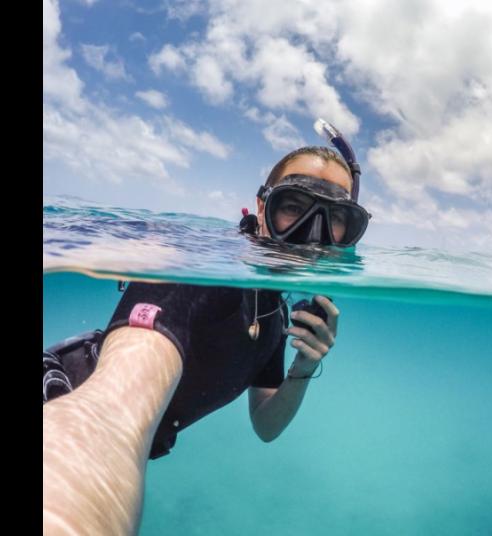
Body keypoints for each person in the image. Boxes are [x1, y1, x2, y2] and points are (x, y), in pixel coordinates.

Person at [43, 130, 371, 534]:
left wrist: (304, 366)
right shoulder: (199, 276)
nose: (313, 235)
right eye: (295, 207)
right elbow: (108, 415)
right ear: (262, 206)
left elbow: (266, 425)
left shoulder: (271, 310)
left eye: (336, 218)